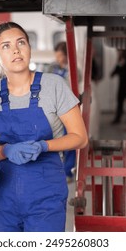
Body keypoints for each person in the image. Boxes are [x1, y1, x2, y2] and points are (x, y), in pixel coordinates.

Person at [0, 22, 88, 232]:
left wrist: (43, 146)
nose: (16, 50)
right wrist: (6, 151)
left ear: (29, 48)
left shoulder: (54, 85)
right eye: (6, 46)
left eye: (21, 43)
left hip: (46, 198)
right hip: (4, 199)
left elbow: (80, 137)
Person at [50, 41, 77, 182]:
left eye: (60, 55)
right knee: (54, 140)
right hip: (53, 110)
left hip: (68, 110)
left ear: (66, 55)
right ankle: (55, 170)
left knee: (69, 142)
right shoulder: (51, 68)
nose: (58, 58)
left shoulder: (73, 70)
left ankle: (68, 172)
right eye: (57, 55)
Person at [110, 49, 126, 124]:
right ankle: (118, 118)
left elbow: (121, 69)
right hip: (122, 85)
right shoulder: (121, 60)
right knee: (120, 102)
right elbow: (116, 69)